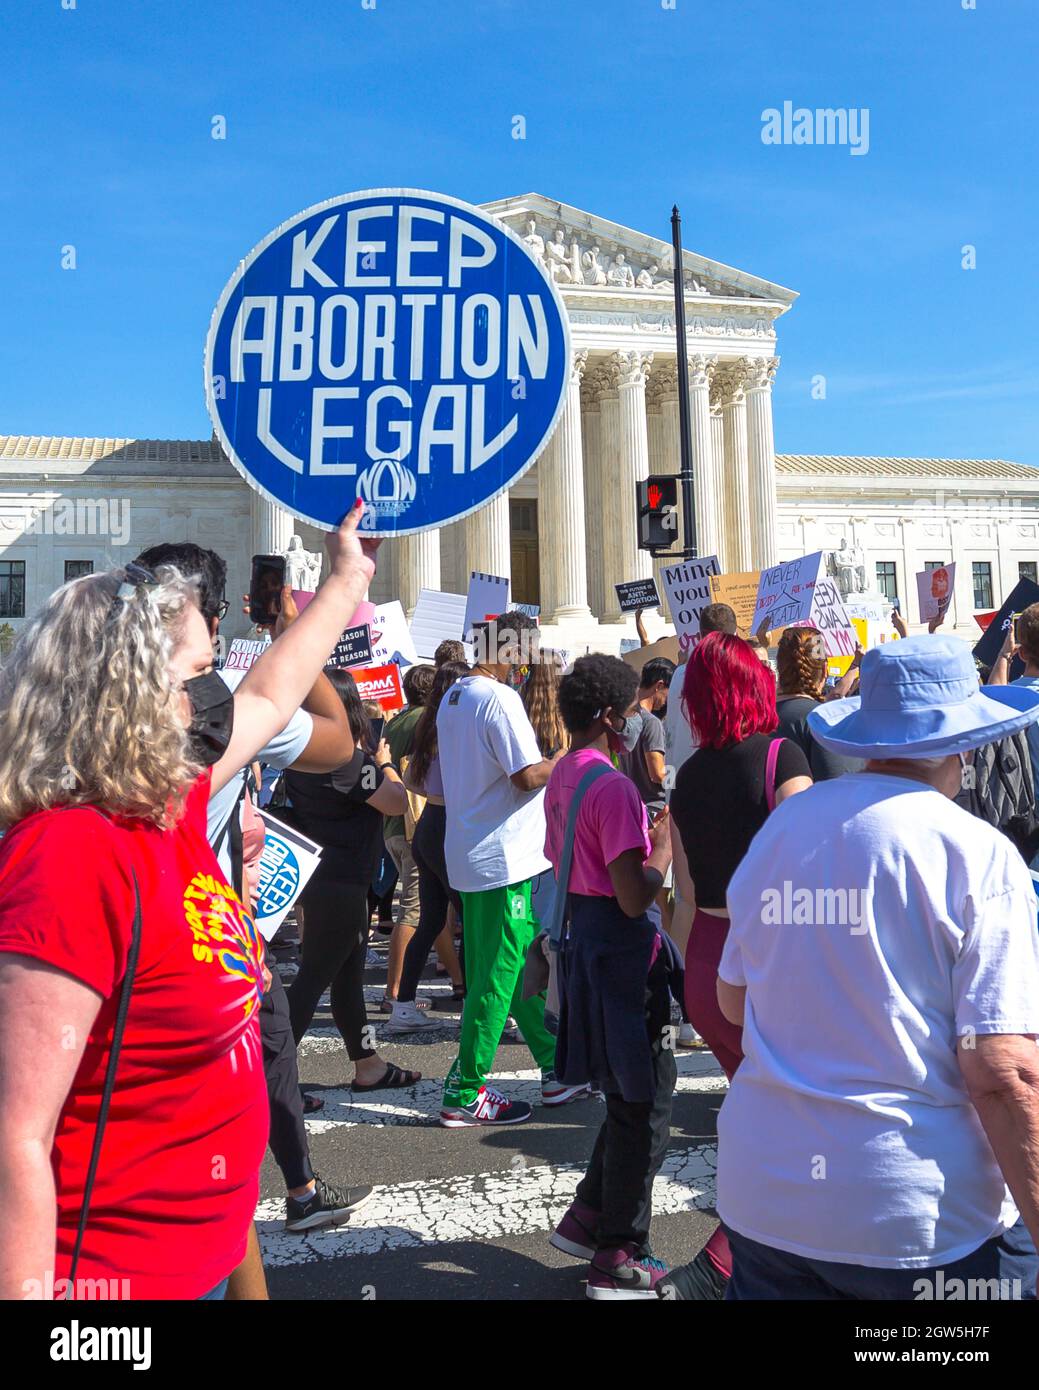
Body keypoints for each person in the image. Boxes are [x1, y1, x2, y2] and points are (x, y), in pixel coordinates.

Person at [0, 501, 377, 1300]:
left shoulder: (160, 805)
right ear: (130, 693)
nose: (215, 699)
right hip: (111, 1287)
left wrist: (345, 578)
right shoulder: (71, 853)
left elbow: (275, 695)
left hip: (195, 1260)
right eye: (199, 678)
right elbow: (14, 1137)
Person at [716, 636, 1039, 1299]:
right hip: (910, 1213)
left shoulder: (781, 829)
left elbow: (731, 999)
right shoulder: (976, 852)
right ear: (963, 745)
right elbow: (1001, 1070)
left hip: (766, 1191)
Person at [136, 543, 372, 1247]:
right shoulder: (207, 726)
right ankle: (293, 1191)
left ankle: (292, 1189)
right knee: (225, 1128)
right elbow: (334, 741)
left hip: (170, 958)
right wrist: (303, 619)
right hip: (207, 951)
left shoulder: (65, 754)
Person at [660, 631, 812, 1299]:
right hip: (768, 967)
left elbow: (688, 896)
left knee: (758, 1120)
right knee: (797, 1128)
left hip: (703, 965)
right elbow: (812, 874)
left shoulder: (689, 775)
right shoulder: (781, 756)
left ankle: (766, 1257)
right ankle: (723, 1264)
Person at [545, 656, 676, 1298]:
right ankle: (618, 1254)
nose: (636, 718)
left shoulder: (566, 773)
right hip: (622, 951)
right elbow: (633, 894)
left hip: (584, 944)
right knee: (645, 1101)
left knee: (624, 1097)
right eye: (629, 708)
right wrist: (663, 851)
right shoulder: (614, 786)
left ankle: (589, 1216)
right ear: (609, 716)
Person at [437, 612, 584, 1125]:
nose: (529, 662)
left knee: (514, 964)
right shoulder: (498, 698)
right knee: (496, 978)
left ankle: (555, 1066)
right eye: (528, 650)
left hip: (473, 851)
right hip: (501, 857)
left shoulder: (454, 695)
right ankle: (466, 1090)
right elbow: (526, 776)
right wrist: (565, 757)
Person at [284, 671, 420, 1092]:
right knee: (311, 981)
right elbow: (396, 802)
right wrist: (384, 764)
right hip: (342, 882)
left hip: (325, 878)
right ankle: (271, 1080)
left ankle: (367, 1063)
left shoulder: (301, 754)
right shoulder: (344, 759)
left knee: (346, 981)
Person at [389, 660, 470, 1033]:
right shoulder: (453, 726)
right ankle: (473, 1003)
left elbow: (411, 781)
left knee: (432, 920)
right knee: (470, 919)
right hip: (449, 825)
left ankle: (403, 1005)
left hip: (428, 826)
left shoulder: (428, 725)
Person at [379, 664, 437, 1012]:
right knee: (412, 911)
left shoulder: (396, 721)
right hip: (412, 824)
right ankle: (395, 992)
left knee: (423, 908)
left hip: (394, 827)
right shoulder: (422, 722)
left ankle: (400, 989)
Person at [774, 627, 863, 780]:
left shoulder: (753, 719)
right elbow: (840, 789)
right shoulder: (825, 720)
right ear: (824, 669)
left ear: (780, 668)